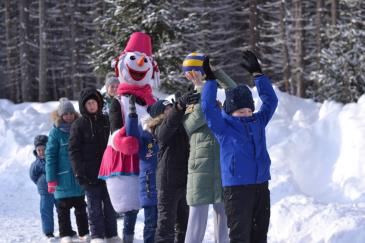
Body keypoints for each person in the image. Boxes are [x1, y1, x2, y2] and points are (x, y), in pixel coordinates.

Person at [201, 51, 278, 243]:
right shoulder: (223, 128)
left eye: (248, 110)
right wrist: (210, 81)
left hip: (261, 186)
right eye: (240, 111)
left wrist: (258, 75)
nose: (245, 114)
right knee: (240, 236)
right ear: (230, 111)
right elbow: (208, 108)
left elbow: (271, 101)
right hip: (237, 190)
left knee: (259, 235)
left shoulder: (258, 121)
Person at [182, 60, 230, 242]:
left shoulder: (216, 102)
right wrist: (202, 88)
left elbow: (237, 96)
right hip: (200, 168)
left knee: (224, 218)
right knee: (196, 223)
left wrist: (218, 74)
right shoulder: (191, 100)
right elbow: (191, 123)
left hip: (221, 166)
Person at [68, 88, 121, 243]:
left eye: (93, 102)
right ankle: (98, 236)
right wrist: (79, 172)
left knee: (110, 206)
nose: (91, 106)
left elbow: (115, 142)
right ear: (83, 106)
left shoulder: (106, 121)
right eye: (88, 103)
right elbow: (73, 151)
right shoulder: (78, 124)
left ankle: (111, 234)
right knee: (94, 208)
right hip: (89, 174)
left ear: (98, 103)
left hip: (109, 172)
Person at [148, 92, 199, 243]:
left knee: (184, 224)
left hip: (184, 182)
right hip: (167, 184)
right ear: (159, 116)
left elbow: (188, 117)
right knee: (166, 226)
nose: (170, 110)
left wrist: (192, 103)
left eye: (171, 107)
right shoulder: (159, 129)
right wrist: (178, 106)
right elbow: (169, 124)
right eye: (167, 109)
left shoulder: (180, 125)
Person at [45, 98, 89, 243]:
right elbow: (50, 156)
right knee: (63, 210)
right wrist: (51, 179)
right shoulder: (55, 133)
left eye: (71, 113)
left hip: (78, 178)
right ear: (60, 116)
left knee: (81, 207)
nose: (69, 116)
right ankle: (65, 235)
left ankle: (84, 233)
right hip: (62, 180)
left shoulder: (80, 128)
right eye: (66, 114)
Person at [29, 135, 57, 242]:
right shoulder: (36, 164)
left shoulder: (53, 160)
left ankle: (65, 230)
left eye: (43, 149)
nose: (41, 152)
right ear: (36, 151)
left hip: (57, 189)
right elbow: (33, 175)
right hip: (45, 191)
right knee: (46, 210)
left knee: (62, 209)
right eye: (39, 150)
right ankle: (48, 232)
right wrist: (40, 183)